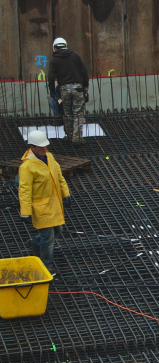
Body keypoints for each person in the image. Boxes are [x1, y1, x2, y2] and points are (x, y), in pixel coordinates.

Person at [18, 130, 71, 276]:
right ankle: (46, 266)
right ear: (32, 147)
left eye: (45, 147)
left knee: (58, 230)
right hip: (41, 208)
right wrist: (25, 212)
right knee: (48, 238)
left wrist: (65, 193)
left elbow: (59, 176)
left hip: (54, 204)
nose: (43, 149)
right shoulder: (27, 167)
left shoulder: (49, 156)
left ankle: (35, 242)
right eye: (40, 147)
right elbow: (25, 190)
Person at [48, 38, 89, 144]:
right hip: (77, 88)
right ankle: (77, 138)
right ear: (65, 45)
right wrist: (86, 85)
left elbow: (51, 77)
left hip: (64, 89)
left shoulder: (54, 60)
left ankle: (70, 136)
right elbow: (84, 71)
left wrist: (52, 91)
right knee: (78, 113)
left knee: (67, 113)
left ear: (55, 48)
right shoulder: (75, 55)